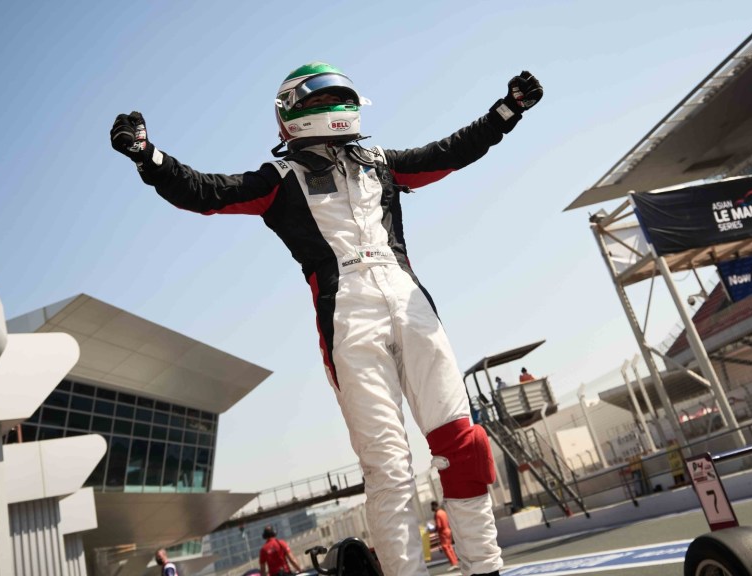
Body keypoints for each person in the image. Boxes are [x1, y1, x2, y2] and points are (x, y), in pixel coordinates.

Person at [110, 62, 542, 576]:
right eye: (321, 100)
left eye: (336, 98)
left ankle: (486, 568)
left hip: (412, 305)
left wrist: (506, 111)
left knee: (463, 446)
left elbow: (451, 151)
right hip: (348, 320)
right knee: (389, 469)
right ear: (293, 113)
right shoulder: (278, 180)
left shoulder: (381, 163)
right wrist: (148, 157)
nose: (333, 108)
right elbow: (203, 191)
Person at [431, 500, 459, 570]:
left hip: (443, 533)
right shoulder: (443, 512)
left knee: (446, 547)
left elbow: (439, 525)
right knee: (450, 547)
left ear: (434, 506)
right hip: (448, 530)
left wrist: (434, 529)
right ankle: (455, 561)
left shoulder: (437, 514)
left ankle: (453, 563)